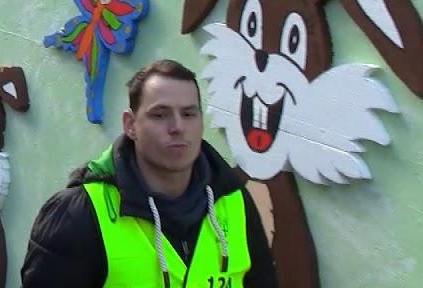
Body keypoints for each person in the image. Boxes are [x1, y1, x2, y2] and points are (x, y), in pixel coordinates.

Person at [20, 60, 277, 288]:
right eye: (160, 115)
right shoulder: (79, 213)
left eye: (188, 114)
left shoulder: (233, 200)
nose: (177, 127)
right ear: (130, 125)